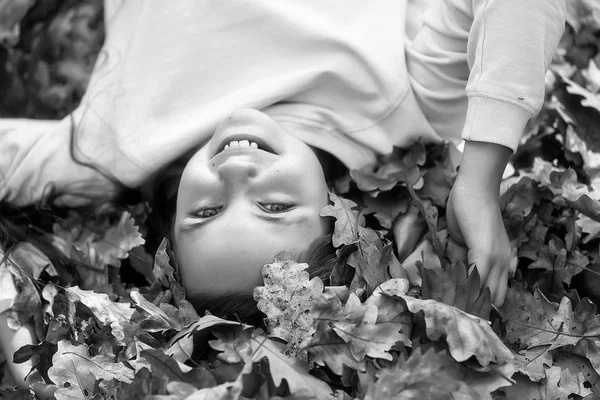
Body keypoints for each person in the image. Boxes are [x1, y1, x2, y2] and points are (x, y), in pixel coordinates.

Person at [0, 0, 566, 391]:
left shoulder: (109, 152)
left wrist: (21, 333)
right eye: (274, 208)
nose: (236, 174)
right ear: (339, 221)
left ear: (168, 224)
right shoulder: (399, 108)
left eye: (206, 211)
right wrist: (482, 175)